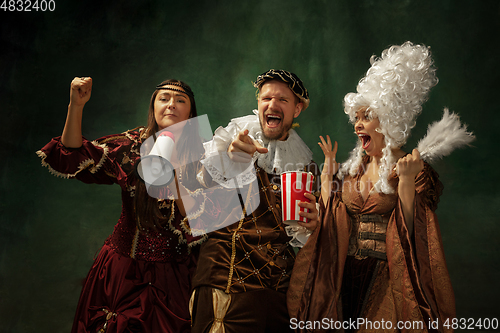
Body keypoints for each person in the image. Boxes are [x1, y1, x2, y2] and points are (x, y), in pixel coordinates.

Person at [288, 42, 459, 332]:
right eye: (356, 117)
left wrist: (405, 182)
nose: (357, 124)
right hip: (345, 276)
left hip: (388, 279)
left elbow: (415, 230)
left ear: (389, 120)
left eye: (366, 117)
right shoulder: (353, 171)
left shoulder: (410, 167)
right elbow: (332, 216)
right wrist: (329, 173)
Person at [37, 77, 213, 332]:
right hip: (122, 271)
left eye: (180, 100)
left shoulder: (204, 154)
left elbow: (200, 220)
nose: (171, 105)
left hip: (175, 277)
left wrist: (174, 170)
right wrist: (76, 106)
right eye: (164, 99)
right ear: (153, 106)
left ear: (191, 111)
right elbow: (73, 153)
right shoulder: (131, 145)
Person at [189, 69, 320, 333]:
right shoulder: (236, 135)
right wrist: (228, 156)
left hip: (277, 285)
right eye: (266, 98)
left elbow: (299, 233)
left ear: (297, 109)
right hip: (227, 272)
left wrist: (314, 222)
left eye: (283, 100)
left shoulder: (305, 162)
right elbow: (200, 181)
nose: (272, 105)